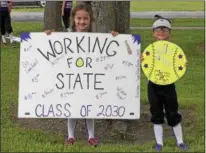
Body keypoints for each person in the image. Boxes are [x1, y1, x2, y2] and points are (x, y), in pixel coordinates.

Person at [45, 3, 118, 147]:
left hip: (89, 79)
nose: (82, 22)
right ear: (73, 19)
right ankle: (71, 136)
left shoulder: (96, 38)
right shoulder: (66, 36)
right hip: (72, 79)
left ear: (90, 20)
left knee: (89, 107)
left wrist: (115, 38)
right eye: (79, 18)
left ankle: (91, 136)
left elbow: (104, 55)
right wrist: (48, 36)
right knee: (71, 108)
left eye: (85, 19)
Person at [141, 15, 188, 151]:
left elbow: (178, 64)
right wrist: (141, 59)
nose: (161, 32)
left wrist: (182, 64)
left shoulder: (174, 51)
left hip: (169, 86)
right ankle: (159, 143)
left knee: (172, 112)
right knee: (156, 113)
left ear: (169, 33)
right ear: (153, 32)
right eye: (158, 30)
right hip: (153, 86)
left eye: (164, 30)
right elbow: (146, 64)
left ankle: (180, 142)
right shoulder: (150, 50)